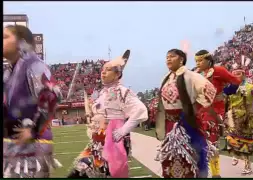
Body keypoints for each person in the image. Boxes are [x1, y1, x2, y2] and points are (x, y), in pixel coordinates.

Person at [67, 50, 148, 178]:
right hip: (98, 142)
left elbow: (141, 111)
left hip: (113, 142)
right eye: (103, 69)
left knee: (100, 173)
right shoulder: (102, 93)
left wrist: (123, 130)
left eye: (108, 70)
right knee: (82, 172)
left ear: (117, 75)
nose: (103, 72)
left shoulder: (122, 91)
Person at [3, 25, 63, 178]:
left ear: (21, 43)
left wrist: (34, 129)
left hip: (33, 146)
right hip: (14, 145)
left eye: (5, 37)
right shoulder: (9, 71)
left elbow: (52, 95)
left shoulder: (33, 64)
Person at [155, 49, 218, 178]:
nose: (168, 59)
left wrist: (196, 106)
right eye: (167, 57)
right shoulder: (166, 78)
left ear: (181, 59)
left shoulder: (190, 75)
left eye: (172, 56)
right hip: (171, 125)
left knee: (194, 155)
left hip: (187, 122)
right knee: (171, 158)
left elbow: (209, 89)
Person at [194, 50, 241, 178]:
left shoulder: (218, 70)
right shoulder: (196, 74)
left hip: (214, 112)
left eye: (200, 60)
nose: (198, 63)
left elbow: (236, 81)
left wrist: (225, 92)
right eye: (196, 61)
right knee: (198, 143)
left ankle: (216, 174)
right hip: (199, 112)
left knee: (212, 142)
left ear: (208, 60)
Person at [222, 61, 253, 175]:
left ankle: (247, 166)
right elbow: (224, 101)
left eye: (238, 73)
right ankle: (235, 155)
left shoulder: (250, 87)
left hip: (246, 118)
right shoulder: (230, 88)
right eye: (233, 74)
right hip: (232, 117)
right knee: (229, 136)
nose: (235, 76)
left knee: (245, 142)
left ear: (244, 75)